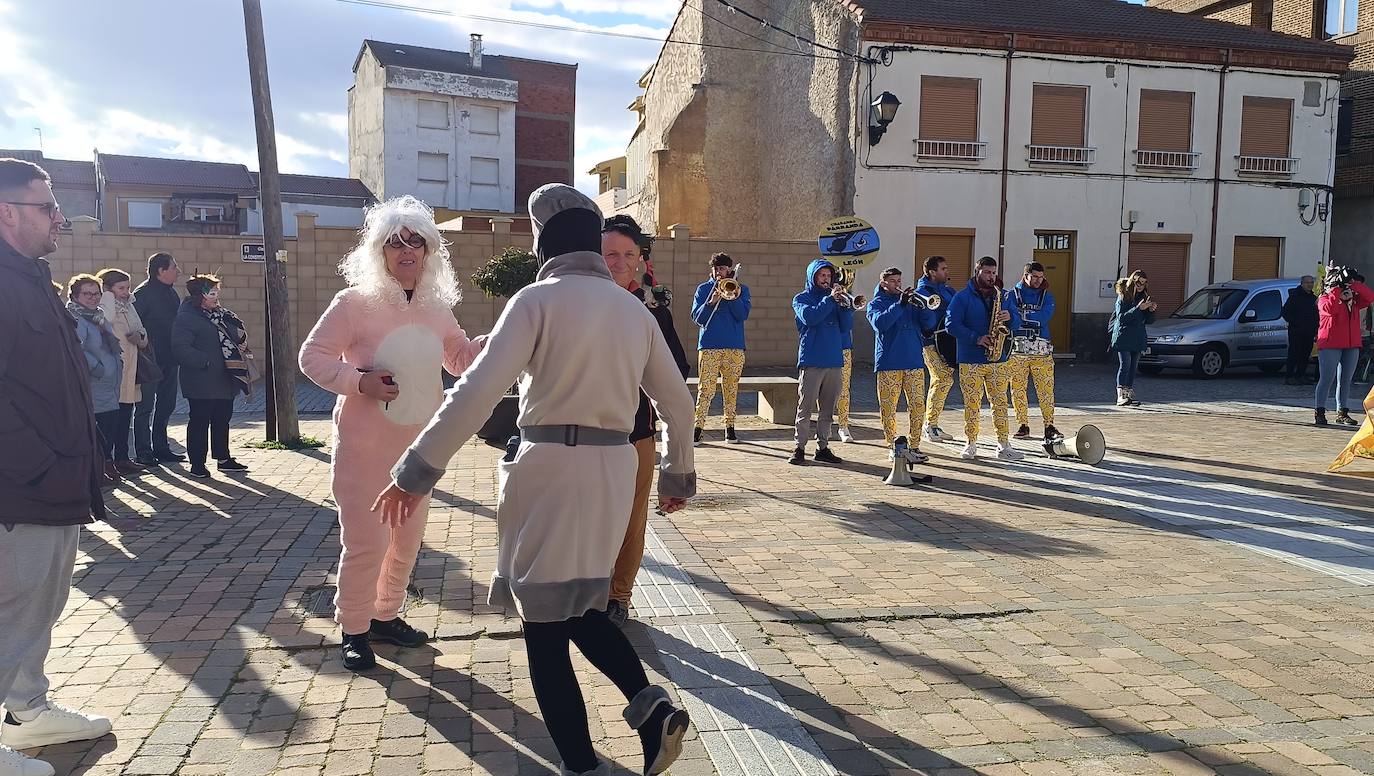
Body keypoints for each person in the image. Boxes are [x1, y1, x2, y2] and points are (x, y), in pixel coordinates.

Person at [373, 184, 695, 776]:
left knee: (545, 627)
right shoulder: (633, 310)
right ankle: (651, 714)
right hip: (614, 470)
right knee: (577, 606)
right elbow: (677, 402)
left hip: (549, 467)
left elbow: (474, 394)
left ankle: (581, 762)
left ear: (545, 241)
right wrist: (678, 471)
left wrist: (416, 471)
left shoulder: (535, 300)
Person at [299, 195, 485, 671]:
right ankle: (354, 629)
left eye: (415, 243)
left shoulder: (437, 308)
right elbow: (312, 358)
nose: (406, 251)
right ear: (379, 253)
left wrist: (501, 337)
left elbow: (459, 359)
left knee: (406, 540)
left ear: (429, 252)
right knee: (366, 543)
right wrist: (358, 382)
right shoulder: (354, 304)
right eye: (395, 243)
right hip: (364, 448)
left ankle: (384, 616)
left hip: (418, 450)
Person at [0, 158, 112, 776]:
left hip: (56, 483)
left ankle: (26, 711)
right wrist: (39, 467)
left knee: (40, 604)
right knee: (12, 609)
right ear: (7, 212)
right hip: (20, 490)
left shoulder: (31, 276)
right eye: (47, 207)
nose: (59, 219)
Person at [600, 214, 689, 629]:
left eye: (627, 254)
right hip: (585, 437)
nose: (618, 262)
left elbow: (677, 372)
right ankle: (588, 594)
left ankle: (619, 597)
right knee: (589, 520)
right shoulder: (579, 303)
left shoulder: (652, 310)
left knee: (632, 523)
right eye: (610, 253)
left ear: (639, 260)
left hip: (636, 433)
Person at [170, 274, 251, 478]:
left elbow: (236, 334)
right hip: (201, 379)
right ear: (200, 295)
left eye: (217, 292)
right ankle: (197, 463)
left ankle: (223, 459)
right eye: (212, 293)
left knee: (222, 419)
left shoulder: (222, 314)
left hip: (224, 378)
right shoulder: (186, 317)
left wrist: (240, 342)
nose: (216, 297)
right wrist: (205, 361)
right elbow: (180, 348)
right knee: (199, 421)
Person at [945, 256, 1024, 461]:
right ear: (977, 271)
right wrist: (976, 338)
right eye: (987, 273)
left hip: (998, 359)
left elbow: (1016, 323)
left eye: (994, 273)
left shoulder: (1004, 296)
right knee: (972, 403)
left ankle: (1003, 444)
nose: (992, 277)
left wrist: (1011, 317)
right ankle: (970, 443)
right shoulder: (962, 297)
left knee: (1000, 402)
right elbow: (951, 324)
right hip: (970, 359)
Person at [865, 267, 930, 462]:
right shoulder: (875, 303)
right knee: (888, 407)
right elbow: (880, 324)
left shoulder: (911, 303)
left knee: (918, 406)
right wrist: (899, 305)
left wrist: (924, 308)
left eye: (899, 281)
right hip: (889, 362)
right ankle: (893, 445)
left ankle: (915, 445)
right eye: (893, 281)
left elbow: (928, 325)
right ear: (883, 283)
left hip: (914, 361)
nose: (898, 285)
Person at [790, 259, 851, 465]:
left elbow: (845, 327)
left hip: (834, 360)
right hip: (812, 359)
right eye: (821, 275)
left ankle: (823, 447)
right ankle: (799, 447)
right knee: (805, 407)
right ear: (813, 277)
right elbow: (810, 317)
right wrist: (830, 301)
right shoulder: (801, 298)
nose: (826, 279)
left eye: (828, 276)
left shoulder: (835, 300)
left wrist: (846, 307)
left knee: (827, 409)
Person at [67, 274, 125, 487]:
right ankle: (95, 473)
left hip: (109, 384)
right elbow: (76, 348)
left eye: (96, 293)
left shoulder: (97, 315)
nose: (92, 297)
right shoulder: (76, 318)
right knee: (97, 433)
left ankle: (101, 469)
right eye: (87, 294)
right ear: (74, 295)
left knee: (107, 430)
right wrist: (98, 368)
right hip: (94, 384)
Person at [690, 252, 750, 445]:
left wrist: (732, 297)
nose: (719, 272)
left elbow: (742, 315)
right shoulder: (703, 290)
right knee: (705, 389)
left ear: (730, 270)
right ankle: (698, 428)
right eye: (716, 269)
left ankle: (730, 428)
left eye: (722, 269)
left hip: (734, 347)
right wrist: (711, 302)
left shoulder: (742, 289)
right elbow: (698, 319)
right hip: (709, 346)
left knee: (731, 389)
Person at [133, 252, 185, 465]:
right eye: (174, 267)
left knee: (167, 405)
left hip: (170, 359)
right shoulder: (142, 294)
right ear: (161, 271)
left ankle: (161, 447)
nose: (178, 271)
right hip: (148, 361)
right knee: (145, 407)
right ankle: (143, 451)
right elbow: (135, 326)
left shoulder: (172, 294)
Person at [96, 268, 148, 475]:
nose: (126, 292)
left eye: (128, 287)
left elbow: (142, 329)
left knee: (126, 415)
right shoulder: (104, 305)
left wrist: (140, 337)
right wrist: (107, 295)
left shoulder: (129, 306)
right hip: (113, 372)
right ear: (108, 289)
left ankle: (122, 458)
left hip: (131, 370)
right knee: (110, 419)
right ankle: (106, 461)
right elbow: (105, 320)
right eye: (121, 288)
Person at [1007, 262, 1061, 441]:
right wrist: (1026, 318)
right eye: (1035, 277)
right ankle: (1022, 424)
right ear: (1026, 276)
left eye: (1041, 277)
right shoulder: (1012, 295)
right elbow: (1009, 315)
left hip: (1042, 349)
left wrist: (1021, 317)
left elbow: (1044, 317)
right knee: (1017, 388)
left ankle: (1049, 425)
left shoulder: (1047, 296)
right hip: (1017, 350)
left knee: (1046, 389)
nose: (1039, 280)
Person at [1314, 266, 1374, 426]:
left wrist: (1353, 284)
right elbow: (1331, 309)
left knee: (1345, 380)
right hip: (1330, 344)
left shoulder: (1353, 302)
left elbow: (1369, 297)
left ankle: (1342, 412)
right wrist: (1336, 289)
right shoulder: (1324, 299)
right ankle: (1320, 411)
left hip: (1351, 343)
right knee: (1327, 379)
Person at [917, 255, 958, 444]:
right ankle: (929, 426)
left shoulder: (949, 291)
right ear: (932, 272)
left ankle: (933, 422)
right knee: (942, 378)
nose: (946, 271)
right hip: (930, 343)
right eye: (943, 269)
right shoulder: (922, 291)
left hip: (948, 344)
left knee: (945, 380)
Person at [1109, 270, 1157, 407]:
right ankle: (1120, 396)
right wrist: (1138, 308)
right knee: (1125, 364)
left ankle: (1128, 394)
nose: (1140, 285)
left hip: (1138, 337)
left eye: (1143, 283)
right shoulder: (1123, 297)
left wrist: (1151, 310)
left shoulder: (1144, 297)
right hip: (1123, 336)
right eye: (1138, 282)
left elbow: (1149, 320)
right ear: (1132, 281)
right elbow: (1122, 318)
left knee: (1133, 367)